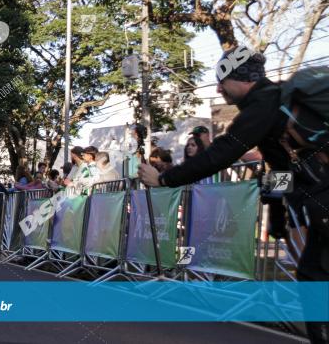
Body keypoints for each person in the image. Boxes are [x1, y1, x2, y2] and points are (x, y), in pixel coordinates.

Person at [139, 48, 329, 344]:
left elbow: (223, 152)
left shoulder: (264, 104)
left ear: (241, 79)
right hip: (320, 203)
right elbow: (282, 168)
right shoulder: (277, 107)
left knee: (315, 276)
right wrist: (277, 218)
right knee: (313, 272)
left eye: (222, 81)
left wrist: (164, 178)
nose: (218, 88)